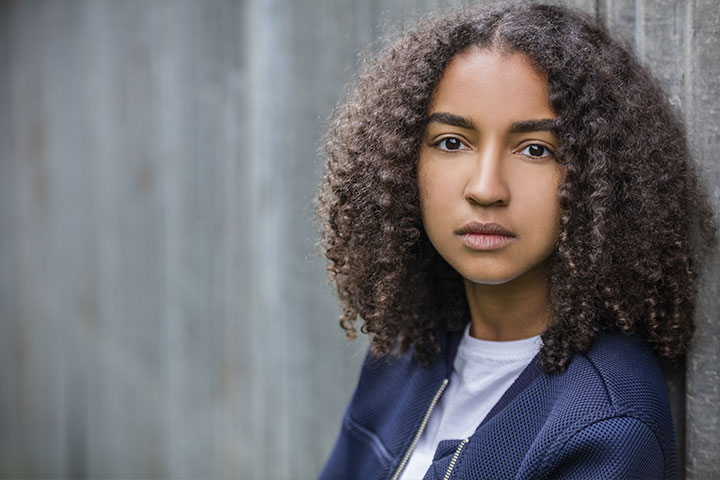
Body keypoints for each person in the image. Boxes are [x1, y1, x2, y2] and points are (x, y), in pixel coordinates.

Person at [315, 2, 717, 479]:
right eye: (451, 142)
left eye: (535, 150)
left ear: (599, 178)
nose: (485, 189)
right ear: (403, 161)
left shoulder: (605, 423)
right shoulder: (406, 351)